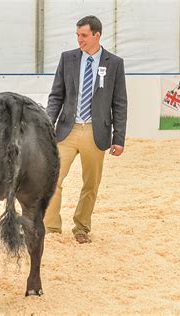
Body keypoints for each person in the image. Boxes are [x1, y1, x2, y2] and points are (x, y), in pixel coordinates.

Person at [44, 15, 127, 244]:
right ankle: (51, 228)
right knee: (53, 180)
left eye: (84, 35)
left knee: (90, 184)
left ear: (96, 35)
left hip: (96, 132)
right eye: (77, 35)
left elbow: (119, 103)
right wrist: (47, 124)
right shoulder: (67, 58)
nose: (79, 39)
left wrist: (118, 138)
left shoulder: (115, 63)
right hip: (66, 131)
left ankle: (81, 227)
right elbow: (56, 95)